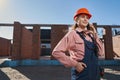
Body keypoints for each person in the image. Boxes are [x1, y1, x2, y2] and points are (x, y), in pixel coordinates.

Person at [52, 8, 104, 80]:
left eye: (87, 18)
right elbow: (56, 52)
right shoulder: (72, 34)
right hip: (82, 75)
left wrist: (95, 34)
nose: (86, 19)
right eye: (83, 17)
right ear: (76, 20)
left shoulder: (91, 36)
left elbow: (101, 53)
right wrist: (75, 64)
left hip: (95, 74)